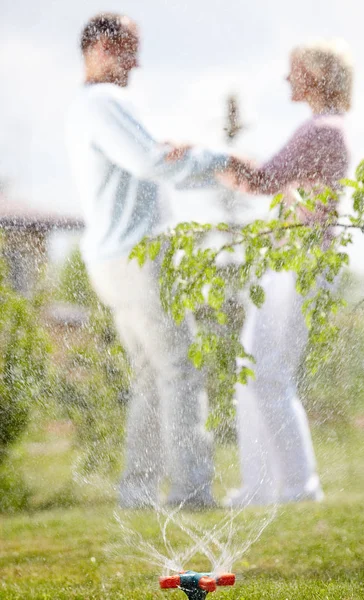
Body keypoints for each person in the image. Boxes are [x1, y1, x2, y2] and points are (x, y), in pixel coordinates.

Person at [65, 13, 230, 509]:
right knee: (179, 369)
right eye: (129, 48)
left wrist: (177, 154)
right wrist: (221, 161)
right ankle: (193, 491)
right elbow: (152, 163)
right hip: (137, 260)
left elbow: (151, 158)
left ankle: (137, 492)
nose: (137, 61)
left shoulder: (88, 106)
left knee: (152, 376)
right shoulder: (106, 101)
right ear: (101, 48)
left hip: (114, 260)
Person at [219, 39, 353, 506]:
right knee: (250, 370)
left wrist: (210, 161)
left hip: (302, 262)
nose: (285, 78)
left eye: (293, 70)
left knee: (268, 373)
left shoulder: (321, 130)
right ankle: (258, 488)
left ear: (315, 74)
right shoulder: (322, 128)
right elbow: (274, 177)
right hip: (288, 262)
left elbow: (261, 181)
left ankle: (299, 487)